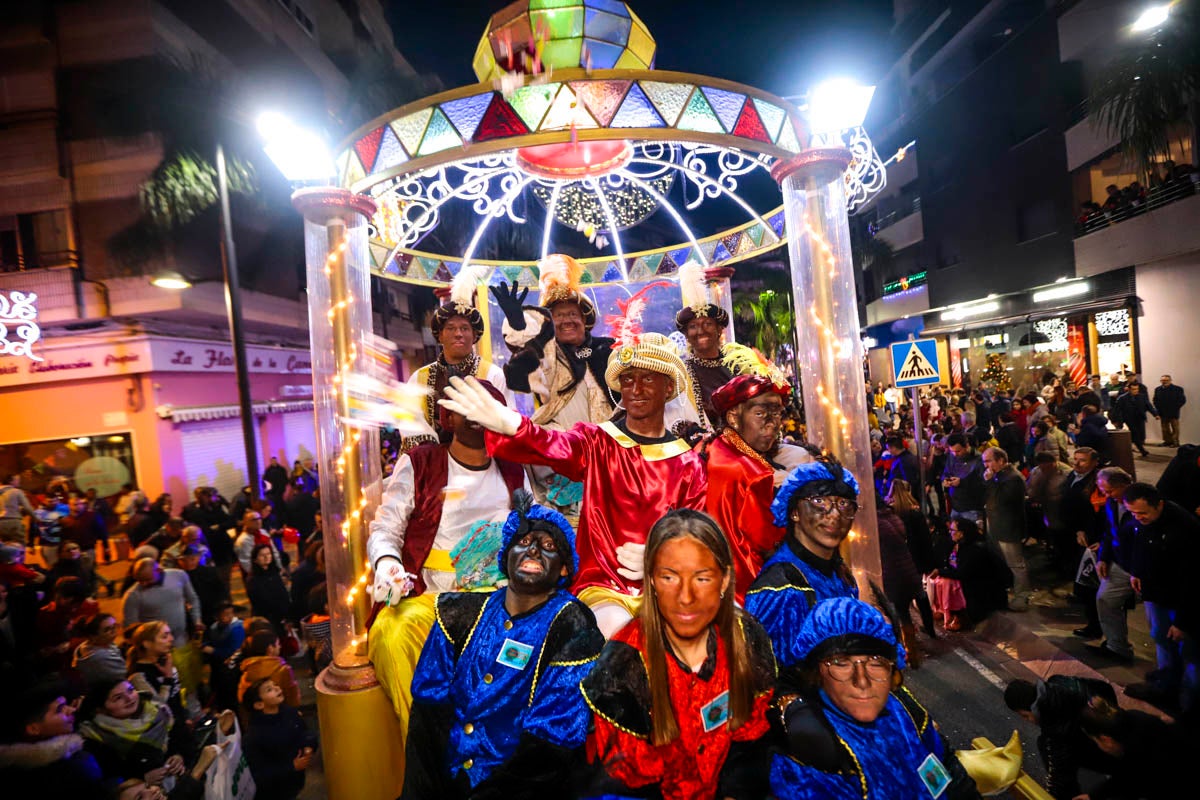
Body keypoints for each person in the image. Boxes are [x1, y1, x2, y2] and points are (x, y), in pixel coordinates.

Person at [440, 335, 708, 637]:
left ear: (668, 388)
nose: (636, 389)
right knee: (615, 634)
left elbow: (694, 534)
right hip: (605, 586)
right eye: (628, 380)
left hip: (668, 583)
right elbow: (550, 444)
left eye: (647, 378)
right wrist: (513, 424)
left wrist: (661, 555)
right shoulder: (597, 442)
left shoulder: (688, 463)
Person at [402, 490, 603, 800]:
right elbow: (428, 716)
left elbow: (551, 743)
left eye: (548, 546)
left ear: (564, 569)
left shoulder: (572, 626)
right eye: (523, 542)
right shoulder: (458, 614)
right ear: (505, 558)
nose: (533, 550)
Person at [580, 509, 774, 800]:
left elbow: (750, 747)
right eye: (669, 577)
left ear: (724, 580)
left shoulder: (747, 639)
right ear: (652, 582)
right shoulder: (625, 664)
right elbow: (622, 783)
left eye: (702, 578)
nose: (685, 597)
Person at [367, 379, 528, 726]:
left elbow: (534, 528)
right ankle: (424, 742)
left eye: (484, 406)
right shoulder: (421, 463)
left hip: (500, 600)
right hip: (432, 598)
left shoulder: (515, 469)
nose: (475, 415)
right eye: (464, 406)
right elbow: (385, 529)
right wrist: (387, 563)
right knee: (391, 634)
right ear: (447, 418)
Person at [767, 597, 981, 799]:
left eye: (875, 661)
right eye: (841, 663)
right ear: (817, 673)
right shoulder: (813, 757)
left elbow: (950, 774)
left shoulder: (904, 711)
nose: (862, 680)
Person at [745, 456, 861, 680]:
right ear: (794, 512)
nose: (835, 514)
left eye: (844, 504)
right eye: (820, 501)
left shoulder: (838, 572)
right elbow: (767, 677)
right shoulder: (779, 587)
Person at [695, 373, 791, 601]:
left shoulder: (707, 447)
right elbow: (768, 541)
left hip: (702, 581)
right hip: (742, 589)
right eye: (760, 414)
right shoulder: (755, 473)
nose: (772, 423)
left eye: (777, 414)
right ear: (734, 417)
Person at [1123, 482, 1200, 713]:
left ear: (1160, 505)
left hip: (1182, 602)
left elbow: (1193, 581)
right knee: (1160, 638)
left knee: (1191, 654)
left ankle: (1188, 705)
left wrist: (1182, 622)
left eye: (1142, 513)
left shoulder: (1186, 528)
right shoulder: (1145, 522)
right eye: (1133, 513)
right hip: (1157, 595)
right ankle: (1165, 686)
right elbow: (1141, 543)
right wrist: (1137, 571)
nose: (1138, 518)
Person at [79, 677, 215, 795]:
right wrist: (141, 780)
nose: (129, 698)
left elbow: (185, 740)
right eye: (118, 698)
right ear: (101, 709)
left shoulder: (159, 709)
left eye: (130, 690)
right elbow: (109, 781)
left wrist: (179, 756)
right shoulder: (96, 739)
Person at [1003, 676, 1118, 800]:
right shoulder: (1058, 682)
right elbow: (1104, 687)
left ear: (1033, 709)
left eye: (1025, 716)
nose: (1027, 721)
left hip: (1109, 750)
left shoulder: (1055, 733)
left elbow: (1059, 776)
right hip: (1113, 728)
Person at [0, 680, 108, 797]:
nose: (72, 710)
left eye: (67, 705)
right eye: (59, 709)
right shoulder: (77, 766)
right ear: (33, 729)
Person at [122, 560, 202, 709]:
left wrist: (197, 619)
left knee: (190, 680)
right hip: (157, 652)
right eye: (140, 581)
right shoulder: (133, 595)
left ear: (159, 570)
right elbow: (130, 629)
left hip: (183, 642)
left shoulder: (179, 575)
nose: (143, 584)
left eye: (147, 579)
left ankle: (193, 709)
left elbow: (193, 599)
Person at [672, 261, 739, 432]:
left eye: (707, 323)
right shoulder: (681, 374)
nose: (701, 331)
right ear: (686, 335)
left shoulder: (737, 365)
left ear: (719, 329)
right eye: (693, 326)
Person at [1078, 698, 1184, 799]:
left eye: (1096, 741)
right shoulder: (1134, 716)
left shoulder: (1138, 759)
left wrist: (1094, 795)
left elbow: (1128, 777)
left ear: (1106, 739)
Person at [1087, 467, 1137, 662]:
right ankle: (1117, 647)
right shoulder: (1111, 502)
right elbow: (1109, 531)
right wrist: (1103, 557)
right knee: (1105, 599)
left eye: (1110, 491)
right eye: (1103, 491)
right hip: (1119, 562)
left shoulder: (1139, 506)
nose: (1106, 495)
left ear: (1124, 485)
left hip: (1141, 569)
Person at [242, 678, 317, 800]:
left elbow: (305, 732)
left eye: (275, 685)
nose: (277, 688)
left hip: (294, 782)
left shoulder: (289, 712)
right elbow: (257, 775)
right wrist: (291, 767)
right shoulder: (254, 736)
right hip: (274, 792)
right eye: (269, 689)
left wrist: (308, 746)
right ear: (259, 704)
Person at [927, 517, 1008, 629]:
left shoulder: (973, 550)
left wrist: (940, 571)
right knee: (942, 580)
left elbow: (962, 573)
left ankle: (960, 617)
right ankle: (949, 613)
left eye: (953, 530)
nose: (950, 533)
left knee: (948, 582)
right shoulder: (959, 545)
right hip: (973, 585)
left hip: (984, 591)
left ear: (961, 533)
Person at [877, 497, 930, 665]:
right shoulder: (894, 518)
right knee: (904, 613)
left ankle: (905, 654)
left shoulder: (878, 524)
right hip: (907, 570)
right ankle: (912, 652)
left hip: (893, 574)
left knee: (897, 614)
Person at [982, 447, 1029, 610]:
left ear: (1001, 460)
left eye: (988, 461)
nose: (986, 465)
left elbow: (1002, 501)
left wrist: (989, 481)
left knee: (1016, 564)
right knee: (1001, 561)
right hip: (996, 526)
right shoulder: (999, 476)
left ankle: (1021, 598)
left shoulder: (1013, 478)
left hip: (1008, 528)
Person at [127, 620, 188, 722]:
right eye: (164, 637)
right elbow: (158, 708)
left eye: (170, 635)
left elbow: (176, 697)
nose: (171, 639)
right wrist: (168, 679)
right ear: (147, 644)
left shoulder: (165, 662)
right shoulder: (138, 675)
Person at [180, 487, 235, 600]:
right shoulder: (191, 510)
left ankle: (227, 601)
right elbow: (198, 528)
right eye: (208, 496)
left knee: (225, 578)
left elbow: (230, 521)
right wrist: (211, 529)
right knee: (212, 579)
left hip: (222, 548)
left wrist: (219, 526)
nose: (212, 498)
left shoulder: (216, 508)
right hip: (206, 549)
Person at [237, 630, 301, 709]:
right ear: (270, 648)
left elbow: (242, 701)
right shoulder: (283, 670)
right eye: (278, 644)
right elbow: (293, 701)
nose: (280, 647)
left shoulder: (247, 671)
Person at [71, 612, 126, 689]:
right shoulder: (100, 657)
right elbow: (125, 674)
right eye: (107, 630)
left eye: (115, 626)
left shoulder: (102, 643)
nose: (114, 631)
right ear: (94, 636)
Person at [941, 434, 986, 522]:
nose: (955, 454)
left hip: (972, 508)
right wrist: (945, 480)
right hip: (955, 505)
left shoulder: (980, 460)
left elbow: (983, 484)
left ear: (967, 446)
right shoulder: (952, 456)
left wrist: (962, 482)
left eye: (958, 451)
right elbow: (946, 472)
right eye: (952, 451)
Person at [247, 543, 290, 634]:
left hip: (282, 616)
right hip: (268, 619)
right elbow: (261, 602)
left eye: (269, 554)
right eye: (262, 555)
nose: (267, 557)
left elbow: (283, 593)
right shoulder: (253, 580)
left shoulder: (275, 572)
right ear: (255, 559)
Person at [1115, 381, 1157, 457]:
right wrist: (1119, 422)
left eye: (1137, 389)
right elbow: (1117, 411)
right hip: (1129, 419)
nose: (1136, 391)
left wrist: (1155, 414)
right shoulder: (1122, 398)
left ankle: (1133, 446)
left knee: (1141, 435)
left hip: (1140, 417)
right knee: (1135, 434)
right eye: (1133, 389)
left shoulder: (1142, 396)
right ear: (1129, 389)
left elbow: (1148, 406)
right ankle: (1142, 450)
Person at [0, 474, 35, 545]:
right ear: (11, 481)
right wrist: (36, 518)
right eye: (17, 480)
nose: (19, 481)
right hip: (14, 522)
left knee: (4, 546)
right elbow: (27, 508)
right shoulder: (17, 492)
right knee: (20, 545)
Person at [1152, 374, 1186, 447]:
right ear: (1160, 381)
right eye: (1163, 380)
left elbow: (1182, 400)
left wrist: (1175, 408)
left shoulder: (1178, 389)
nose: (1164, 382)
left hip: (1173, 412)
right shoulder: (1157, 389)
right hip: (1162, 412)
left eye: (1166, 380)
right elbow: (1155, 400)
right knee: (1165, 429)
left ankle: (1175, 442)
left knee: (1175, 428)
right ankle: (1167, 441)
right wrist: (1157, 408)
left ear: (1170, 380)